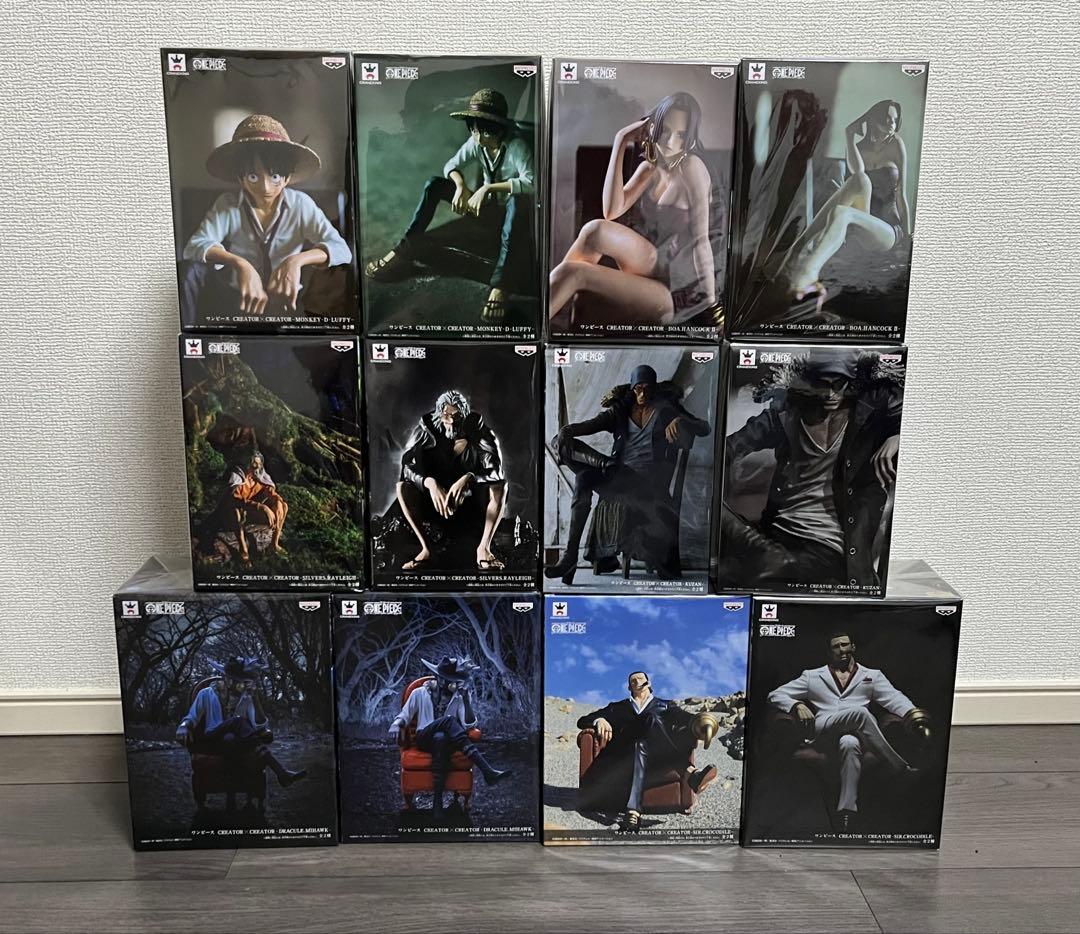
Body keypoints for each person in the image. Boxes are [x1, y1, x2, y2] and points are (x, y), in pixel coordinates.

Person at [718, 350, 901, 590]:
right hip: (777, 532)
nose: (830, 394)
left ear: (851, 381)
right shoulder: (786, 414)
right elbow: (727, 448)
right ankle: (769, 556)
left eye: (838, 384)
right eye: (822, 384)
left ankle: (769, 558)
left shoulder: (868, 414)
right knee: (713, 509)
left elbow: (912, 411)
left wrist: (897, 436)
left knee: (755, 568)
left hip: (828, 545)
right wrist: (726, 469)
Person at [549, 92, 720, 327]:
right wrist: (621, 141)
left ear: (689, 138)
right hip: (653, 263)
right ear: (653, 127)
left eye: (681, 135)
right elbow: (611, 211)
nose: (671, 142)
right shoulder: (650, 169)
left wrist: (711, 303)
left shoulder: (692, 167)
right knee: (594, 230)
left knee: (574, 272)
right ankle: (553, 311)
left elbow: (701, 240)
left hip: (675, 292)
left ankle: (543, 322)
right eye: (666, 131)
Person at [365, 88, 535, 323]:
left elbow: (531, 183)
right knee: (434, 184)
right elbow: (451, 165)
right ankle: (402, 251)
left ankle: (501, 287)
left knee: (517, 200)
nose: (479, 137)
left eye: (485, 130)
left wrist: (488, 188)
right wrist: (460, 185)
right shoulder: (476, 144)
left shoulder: (516, 147)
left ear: (499, 128)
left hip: (512, 219)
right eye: (474, 129)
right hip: (485, 212)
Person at [545, 364, 710, 584]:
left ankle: (607, 465)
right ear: (632, 389)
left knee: (586, 476)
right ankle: (570, 557)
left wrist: (681, 420)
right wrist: (568, 429)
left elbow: (704, 427)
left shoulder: (665, 410)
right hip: (619, 477)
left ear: (654, 388)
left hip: (647, 485)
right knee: (566, 451)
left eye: (647, 388)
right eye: (638, 389)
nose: (642, 394)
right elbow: (588, 426)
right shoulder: (620, 411)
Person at [180, 114, 353, 319]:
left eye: (275, 176)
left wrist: (295, 262)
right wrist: (240, 264)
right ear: (240, 178)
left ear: (287, 177)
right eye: (253, 177)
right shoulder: (227, 204)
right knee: (190, 270)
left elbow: (341, 250)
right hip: (237, 300)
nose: (265, 188)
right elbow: (194, 246)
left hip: (287, 303)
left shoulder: (301, 204)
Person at [768, 631, 930, 832]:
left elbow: (894, 698)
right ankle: (900, 768)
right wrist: (796, 705)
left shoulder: (872, 676)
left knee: (849, 743)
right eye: (836, 647)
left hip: (858, 735)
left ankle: (846, 812)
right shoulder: (812, 676)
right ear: (830, 652)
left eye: (844, 644)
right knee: (860, 712)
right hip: (824, 729)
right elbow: (775, 695)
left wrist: (913, 715)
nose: (841, 649)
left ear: (853, 646)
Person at [778, 99, 912, 308]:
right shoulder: (859, 147)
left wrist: (908, 239)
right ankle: (798, 250)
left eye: (895, 120)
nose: (891, 123)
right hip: (864, 219)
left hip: (888, 231)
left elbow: (901, 195)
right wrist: (849, 134)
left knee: (842, 212)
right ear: (873, 118)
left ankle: (806, 269)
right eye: (886, 118)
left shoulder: (896, 144)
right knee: (860, 180)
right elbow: (856, 173)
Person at [576, 671, 719, 833]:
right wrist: (599, 719)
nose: (637, 681)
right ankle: (690, 773)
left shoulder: (666, 706)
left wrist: (705, 724)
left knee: (644, 737)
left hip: (654, 760)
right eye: (633, 680)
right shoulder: (617, 707)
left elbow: (689, 719)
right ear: (629, 687)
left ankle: (633, 812)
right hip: (622, 756)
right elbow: (582, 720)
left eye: (640, 678)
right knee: (651, 719)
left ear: (648, 683)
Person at [395, 390, 506, 573]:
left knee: (500, 487)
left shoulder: (479, 430)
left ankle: (484, 549)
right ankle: (427, 549)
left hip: (470, 503)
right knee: (402, 488)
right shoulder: (425, 429)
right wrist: (428, 483)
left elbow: (497, 472)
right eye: (447, 415)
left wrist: (470, 478)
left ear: (465, 415)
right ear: (440, 413)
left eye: (457, 416)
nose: (452, 421)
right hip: (433, 502)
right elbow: (406, 467)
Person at [388, 656, 511, 818]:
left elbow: (469, 725)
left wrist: (466, 700)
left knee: (440, 738)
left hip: (446, 742)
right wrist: (396, 724)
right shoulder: (419, 693)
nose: (449, 683)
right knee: (448, 721)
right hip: (424, 738)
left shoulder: (459, 696)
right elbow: (405, 714)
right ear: (437, 678)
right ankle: (487, 770)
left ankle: (437, 805)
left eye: (453, 680)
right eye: (446, 679)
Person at [176, 656, 306, 803]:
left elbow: (259, 726)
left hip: (235, 743)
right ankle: (280, 771)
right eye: (236, 680)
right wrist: (183, 727)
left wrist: (255, 699)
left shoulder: (246, 697)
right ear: (226, 678)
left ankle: (277, 776)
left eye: (242, 681)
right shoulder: (206, 693)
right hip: (213, 739)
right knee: (238, 721)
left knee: (230, 737)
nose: (240, 684)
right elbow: (192, 717)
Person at [219, 452, 289, 563]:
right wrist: (260, 507)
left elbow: (271, 493)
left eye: (258, 464)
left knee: (283, 505)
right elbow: (234, 498)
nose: (255, 466)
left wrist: (278, 501)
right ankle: (243, 550)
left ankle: (274, 544)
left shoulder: (260, 478)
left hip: (250, 515)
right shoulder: (238, 476)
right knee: (235, 511)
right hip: (231, 517)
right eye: (252, 463)